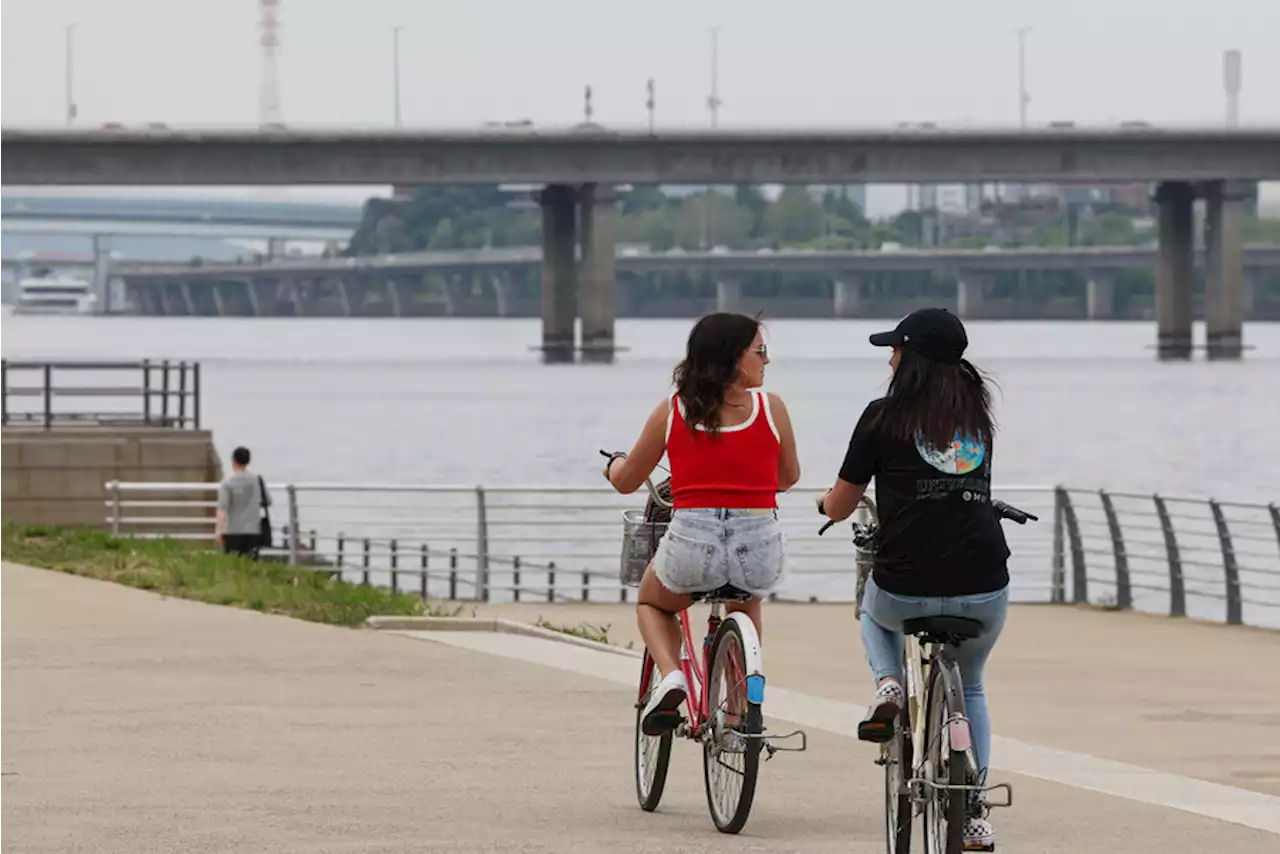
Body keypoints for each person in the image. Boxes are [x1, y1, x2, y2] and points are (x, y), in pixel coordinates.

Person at [817, 307, 1009, 851]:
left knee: (873, 614)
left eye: (895, 348)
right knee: (970, 685)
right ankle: (974, 812)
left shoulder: (881, 417)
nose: (890, 357)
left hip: (905, 588)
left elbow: (843, 500)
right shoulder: (977, 415)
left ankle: (888, 684)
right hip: (983, 586)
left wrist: (826, 507)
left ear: (912, 358)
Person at [603, 312, 800, 736]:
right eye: (760, 352)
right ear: (732, 359)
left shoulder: (673, 411)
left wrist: (614, 465)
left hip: (693, 546)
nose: (767, 360)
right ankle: (738, 710)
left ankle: (672, 677)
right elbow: (788, 478)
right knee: (745, 600)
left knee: (652, 603)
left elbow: (626, 482)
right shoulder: (773, 409)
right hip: (758, 549)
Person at [216, 446, 271, 560]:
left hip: (233, 531)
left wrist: (219, 530)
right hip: (254, 530)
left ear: (233, 461)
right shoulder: (257, 480)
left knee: (232, 564)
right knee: (251, 563)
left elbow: (222, 509)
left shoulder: (227, 483)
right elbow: (268, 501)